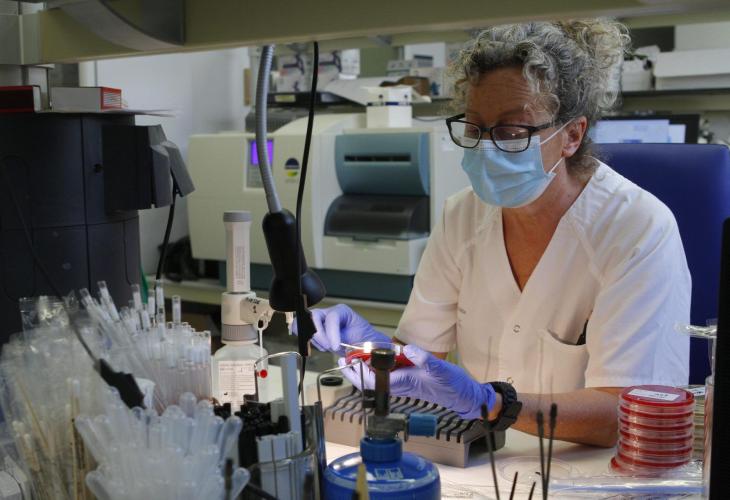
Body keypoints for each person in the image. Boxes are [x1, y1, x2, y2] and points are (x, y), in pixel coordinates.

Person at [297, 20, 691, 447]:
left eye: (511, 132)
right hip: (481, 457)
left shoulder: (636, 229)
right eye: (474, 128)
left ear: (572, 135)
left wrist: (492, 404)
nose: (486, 147)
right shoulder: (462, 216)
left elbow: (628, 414)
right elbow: (418, 361)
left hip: (590, 469)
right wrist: (372, 352)